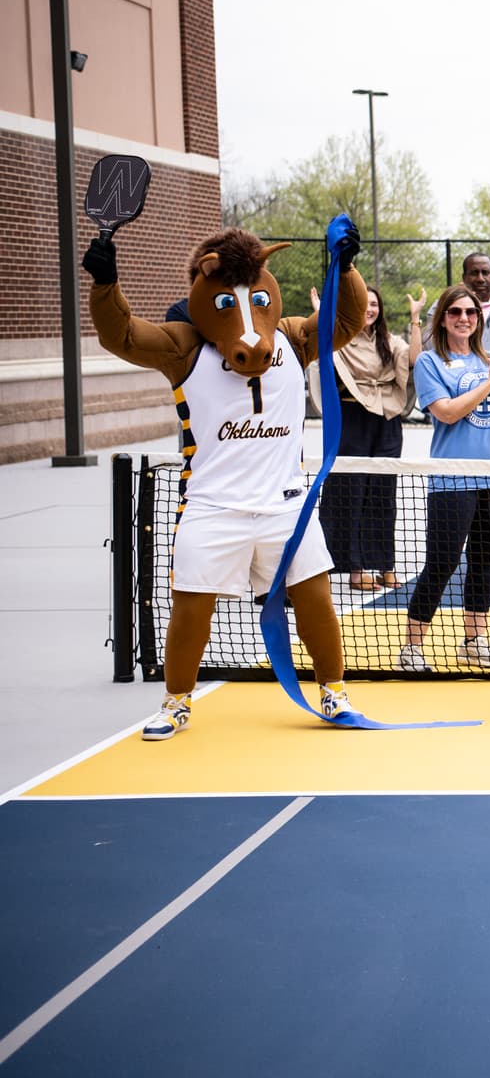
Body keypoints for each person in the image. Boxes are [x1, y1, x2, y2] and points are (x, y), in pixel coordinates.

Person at [84, 224, 367, 739]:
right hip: (212, 505)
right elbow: (121, 334)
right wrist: (106, 283)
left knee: (316, 603)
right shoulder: (184, 347)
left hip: (286, 505)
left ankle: (334, 690)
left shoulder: (295, 339)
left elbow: (347, 318)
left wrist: (344, 269)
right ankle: (176, 702)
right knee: (191, 608)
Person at [399, 284, 490, 673]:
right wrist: (489, 383)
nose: (464, 318)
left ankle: (474, 640)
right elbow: (445, 412)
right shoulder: (431, 362)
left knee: (484, 561)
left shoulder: (488, 359)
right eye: (456, 312)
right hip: (453, 478)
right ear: (443, 318)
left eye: (471, 313)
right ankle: (411, 647)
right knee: (442, 563)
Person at [317, 282, 422, 592]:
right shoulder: (340, 341)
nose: (369, 309)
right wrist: (322, 316)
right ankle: (355, 568)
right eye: (363, 304)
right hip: (351, 421)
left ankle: (385, 565)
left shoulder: (391, 342)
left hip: (386, 421)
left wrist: (415, 318)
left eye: (374, 304)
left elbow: (415, 360)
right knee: (351, 493)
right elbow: (320, 353)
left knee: (383, 494)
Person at [462, 252, 490, 322]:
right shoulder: (447, 307)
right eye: (474, 273)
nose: (480, 279)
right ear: (464, 277)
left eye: (485, 272)